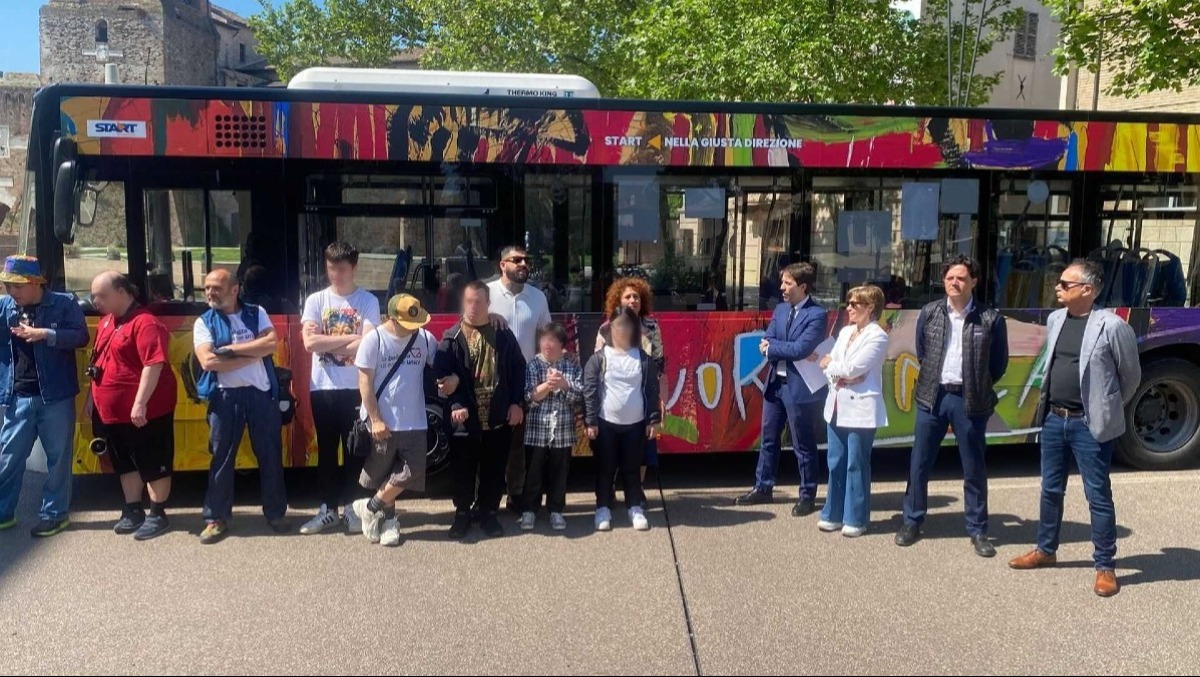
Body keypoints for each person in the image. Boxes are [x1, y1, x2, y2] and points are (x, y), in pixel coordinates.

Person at [1009, 260, 1140, 597]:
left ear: (1087, 289)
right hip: (1053, 419)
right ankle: (1045, 550)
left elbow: (1131, 377)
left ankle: (1105, 566)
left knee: (1097, 495)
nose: (1057, 288)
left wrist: (1104, 410)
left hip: (1088, 424)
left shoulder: (1112, 327)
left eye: (1065, 284)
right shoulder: (1055, 320)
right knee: (1050, 489)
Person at [895, 254, 1009, 557]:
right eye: (949, 278)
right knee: (919, 463)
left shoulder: (990, 318)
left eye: (960, 278)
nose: (954, 283)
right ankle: (912, 521)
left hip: (969, 400)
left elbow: (998, 365)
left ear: (973, 281)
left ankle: (977, 529)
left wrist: (976, 385)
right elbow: (923, 352)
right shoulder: (930, 312)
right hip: (933, 397)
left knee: (973, 467)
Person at [193, 269, 290, 544]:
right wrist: (253, 354)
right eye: (207, 288)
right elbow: (209, 362)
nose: (210, 293)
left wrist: (232, 351)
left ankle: (276, 514)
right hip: (224, 397)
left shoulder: (256, 312)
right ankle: (216, 518)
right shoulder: (204, 322)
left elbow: (270, 344)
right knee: (221, 458)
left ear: (234, 290)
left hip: (260, 395)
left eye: (216, 288)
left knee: (270, 455)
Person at [0, 256, 89, 537]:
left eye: (16, 286)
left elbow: (80, 336)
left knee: (58, 460)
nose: (10, 292)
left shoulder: (63, 303)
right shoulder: (5, 307)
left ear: (36, 283)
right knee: (8, 458)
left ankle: (54, 515)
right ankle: (3, 513)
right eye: (6, 285)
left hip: (56, 396)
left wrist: (45, 334)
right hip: (18, 396)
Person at [298, 241, 383, 536]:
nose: (336, 274)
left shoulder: (368, 301)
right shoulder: (315, 300)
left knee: (355, 451)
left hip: (356, 387)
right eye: (331, 268)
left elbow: (370, 341)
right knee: (326, 451)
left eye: (342, 269)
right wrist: (350, 339)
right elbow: (309, 344)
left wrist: (327, 339)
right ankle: (327, 509)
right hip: (322, 387)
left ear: (354, 268)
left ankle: (352, 508)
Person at [89, 271, 178, 541]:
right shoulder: (106, 323)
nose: (95, 302)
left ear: (122, 292)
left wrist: (139, 403)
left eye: (101, 296)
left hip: (146, 412)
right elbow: (99, 364)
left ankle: (158, 513)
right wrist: (92, 401)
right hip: (113, 415)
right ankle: (132, 509)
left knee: (153, 460)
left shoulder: (145, 323)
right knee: (125, 462)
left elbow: (154, 364)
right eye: (93, 296)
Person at [735, 262, 828, 517]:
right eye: (783, 282)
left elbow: (800, 349)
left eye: (787, 283)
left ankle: (807, 494)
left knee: (802, 444)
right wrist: (775, 345)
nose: (782, 288)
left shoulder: (817, 314)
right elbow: (769, 337)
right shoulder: (780, 309)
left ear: (803, 286)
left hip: (800, 388)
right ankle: (763, 487)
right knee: (768, 438)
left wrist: (773, 348)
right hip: (776, 384)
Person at [438, 281, 526, 540]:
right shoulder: (451, 338)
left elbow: (519, 370)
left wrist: (516, 403)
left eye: (479, 301)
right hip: (465, 420)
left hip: (498, 417)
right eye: (469, 301)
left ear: (489, 303)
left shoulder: (503, 334)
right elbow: (440, 377)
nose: (473, 306)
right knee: (463, 470)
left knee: (494, 470)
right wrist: (455, 403)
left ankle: (489, 514)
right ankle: (462, 515)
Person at [350, 294, 437, 547]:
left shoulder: (424, 338)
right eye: (408, 324)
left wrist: (449, 379)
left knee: (412, 471)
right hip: (383, 420)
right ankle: (389, 523)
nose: (414, 328)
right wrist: (375, 419)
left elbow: (441, 365)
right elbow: (364, 382)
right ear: (391, 318)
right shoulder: (374, 340)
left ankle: (369, 507)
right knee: (383, 473)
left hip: (415, 419)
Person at [817, 285, 889, 538]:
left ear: (870, 308)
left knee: (856, 463)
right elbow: (828, 364)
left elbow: (854, 368)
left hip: (861, 408)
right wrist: (839, 371)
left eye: (854, 304)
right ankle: (832, 514)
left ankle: (856, 518)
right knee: (835, 461)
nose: (848, 308)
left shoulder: (878, 336)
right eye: (848, 303)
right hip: (836, 404)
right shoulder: (846, 331)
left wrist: (838, 369)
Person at [584, 307, 662, 532]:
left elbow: (651, 391)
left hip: (635, 425)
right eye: (618, 325)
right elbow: (589, 390)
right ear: (610, 328)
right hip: (606, 424)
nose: (623, 330)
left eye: (628, 325)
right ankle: (602, 509)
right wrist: (591, 421)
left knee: (631, 467)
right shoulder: (599, 358)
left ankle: (634, 507)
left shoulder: (643, 359)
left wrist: (652, 420)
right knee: (605, 468)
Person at [486, 245, 552, 514]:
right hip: (489, 380)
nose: (523, 263)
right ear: (502, 265)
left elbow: (546, 337)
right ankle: (486, 497)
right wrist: (486, 315)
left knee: (517, 444)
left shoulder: (537, 298)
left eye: (526, 259)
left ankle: (515, 495)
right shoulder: (485, 293)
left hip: (523, 381)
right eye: (517, 260)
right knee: (488, 443)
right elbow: (466, 324)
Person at [594, 276, 666, 493]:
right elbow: (597, 367)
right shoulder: (606, 328)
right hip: (614, 397)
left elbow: (660, 364)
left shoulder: (652, 326)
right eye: (628, 296)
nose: (633, 300)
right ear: (618, 301)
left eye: (636, 296)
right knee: (613, 448)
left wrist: (660, 399)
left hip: (643, 396)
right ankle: (612, 491)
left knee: (644, 447)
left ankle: (637, 489)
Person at [521, 323, 583, 532]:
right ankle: (529, 510)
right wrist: (548, 385)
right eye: (544, 340)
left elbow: (579, 398)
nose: (548, 344)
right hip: (537, 430)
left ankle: (556, 510)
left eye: (553, 340)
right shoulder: (533, 365)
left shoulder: (571, 366)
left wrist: (564, 384)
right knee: (533, 471)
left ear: (561, 345)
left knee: (559, 472)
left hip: (563, 431)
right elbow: (529, 398)